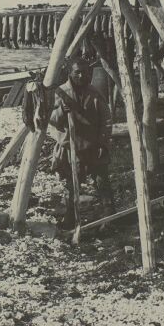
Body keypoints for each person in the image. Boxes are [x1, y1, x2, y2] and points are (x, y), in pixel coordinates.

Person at [50, 58, 114, 229]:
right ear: (70, 73)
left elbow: (106, 120)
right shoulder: (61, 93)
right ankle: (71, 218)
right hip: (71, 146)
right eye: (77, 72)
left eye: (85, 72)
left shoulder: (94, 93)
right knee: (73, 185)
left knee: (102, 182)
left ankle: (109, 217)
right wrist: (62, 112)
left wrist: (103, 143)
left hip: (94, 146)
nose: (81, 75)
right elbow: (52, 120)